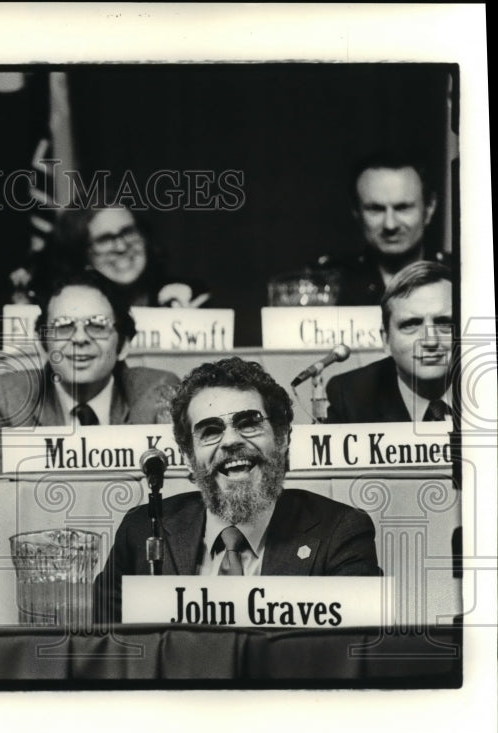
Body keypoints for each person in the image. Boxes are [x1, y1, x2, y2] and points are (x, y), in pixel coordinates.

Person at [92, 356, 380, 623]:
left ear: (282, 440)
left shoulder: (339, 532)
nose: (230, 441)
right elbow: (106, 651)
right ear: (189, 458)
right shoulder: (142, 530)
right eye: (211, 431)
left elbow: (353, 658)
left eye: (249, 424)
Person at [0, 272, 180, 477]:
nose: (79, 338)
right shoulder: (5, 397)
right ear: (43, 345)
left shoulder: (157, 393)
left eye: (97, 325)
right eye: (64, 326)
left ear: (123, 344)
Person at [309, 152, 449, 305]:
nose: (390, 225)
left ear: (429, 208)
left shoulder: (459, 277)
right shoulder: (327, 282)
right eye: (376, 209)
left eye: (402, 208)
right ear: (357, 212)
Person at [326, 261, 454, 423]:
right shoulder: (351, 396)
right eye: (411, 325)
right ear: (385, 339)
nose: (431, 341)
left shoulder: (490, 385)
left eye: (444, 323)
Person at [38, 203, 210, 309]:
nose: (121, 247)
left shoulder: (190, 296)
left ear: (144, 237)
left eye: (128, 232)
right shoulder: (64, 306)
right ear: (82, 252)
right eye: (105, 239)